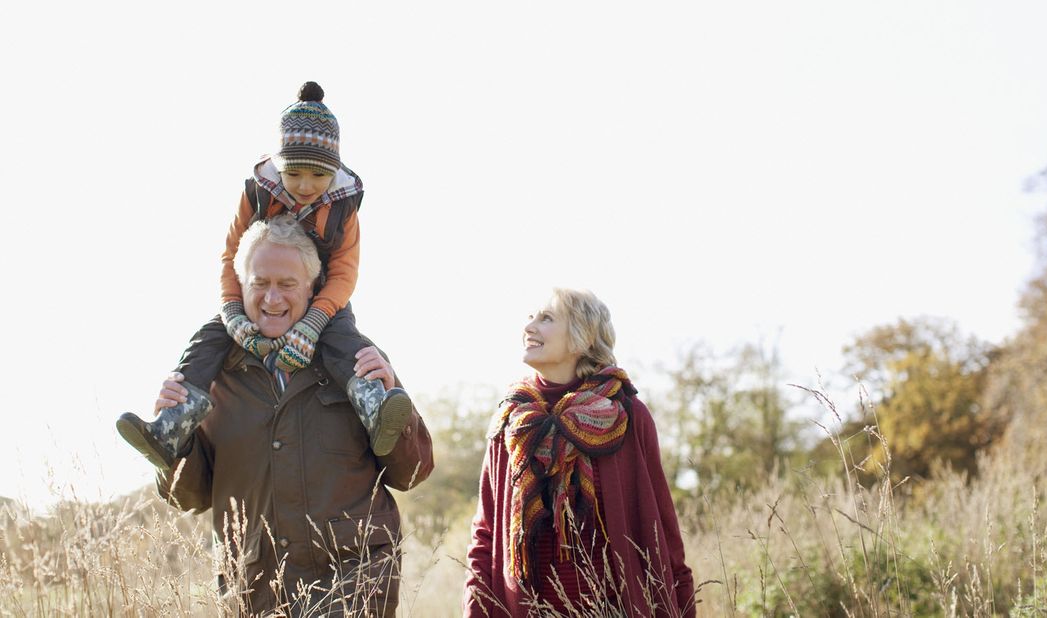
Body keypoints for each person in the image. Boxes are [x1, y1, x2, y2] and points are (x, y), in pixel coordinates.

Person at [117, 81, 411, 471]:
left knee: (346, 344)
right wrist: (232, 310)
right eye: (295, 174)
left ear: (335, 170)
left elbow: (344, 273)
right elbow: (230, 256)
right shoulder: (257, 193)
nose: (305, 186)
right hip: (248, 300)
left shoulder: (344, 208)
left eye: (317, 176)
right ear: (280, 165)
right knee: (206, 342)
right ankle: (171, 426)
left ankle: (374, 409)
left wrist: (316, 320)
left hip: (324, 300)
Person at [153, 214, 433, 616]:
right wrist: (173, 439)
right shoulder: (210, 376)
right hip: (255, 589)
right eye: (260, 284)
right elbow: (189, 497)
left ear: (313, 288)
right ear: (240, 288)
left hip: (351, 582)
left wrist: (393, 396)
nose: (272, 299)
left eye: (287, 285)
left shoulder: (355, 362)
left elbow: (413, 472)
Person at [464, 289, 696, 617]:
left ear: (582, 338)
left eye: (546, 318)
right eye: (530, 317)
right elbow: (485, 534)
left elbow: (662, 531)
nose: (529, 327)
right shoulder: (512, 422)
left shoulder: (626, 414)